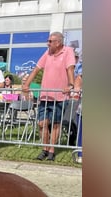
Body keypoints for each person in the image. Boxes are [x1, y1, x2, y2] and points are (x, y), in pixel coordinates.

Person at [21, 31, 76, 161]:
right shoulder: (48, 52)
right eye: (48, 41)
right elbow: (36, 69)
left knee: (56, 124)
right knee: (42, 123)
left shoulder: (67, 51)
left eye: (50, 41)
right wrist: (26, 85)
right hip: (45, 96)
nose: (48, 43)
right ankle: (44, 149)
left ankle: (51, 151)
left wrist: (70, 84)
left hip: (59, 96)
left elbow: (70, 69)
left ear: (58, 43)